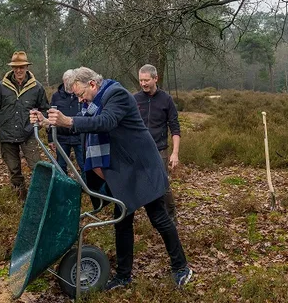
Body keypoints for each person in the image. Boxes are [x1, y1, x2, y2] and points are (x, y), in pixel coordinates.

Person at [31, 67, 193, 290]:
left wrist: (67, 121)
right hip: (125, 172)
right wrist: (48, 123)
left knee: (159, 219)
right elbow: (84, 126)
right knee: (123, 222)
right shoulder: (95, 103)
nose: (80, 100)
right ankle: (124, 276)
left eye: (80, 94)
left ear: (92, 85)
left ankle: (181, 267)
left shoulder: (117, 95)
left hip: (143, 168)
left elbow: (105, 122)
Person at [0, 51, 49, 201]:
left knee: (36, 167)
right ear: (12, 68)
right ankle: (19, 199)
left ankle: (38, 199)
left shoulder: (37, 87)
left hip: (29, 133)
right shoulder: (1, 87)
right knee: (14, 170)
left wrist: (39, 123)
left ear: (27, 67)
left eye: (22, 67)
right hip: (7, 134)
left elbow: (45, 108)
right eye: (16, 67)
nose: (19, 70)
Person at [134, 64, 180, 221]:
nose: (144, 84)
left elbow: (175, 128)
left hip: (160, 149)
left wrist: (175, 153)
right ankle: (154, 216)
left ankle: (171, 217)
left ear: (155, 78)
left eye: (146, 80)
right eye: (141, 80)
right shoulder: (135, 99)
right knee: (141, 183)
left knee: (162, 185)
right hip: (139, 150)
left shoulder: (166, 100)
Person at [47, 69, 85, 175]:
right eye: (66, 80)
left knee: (84, 165)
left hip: (79, 136)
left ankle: (89, 189)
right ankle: (64, 188)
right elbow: (51, 117)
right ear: (63, 80)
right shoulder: (56, 96)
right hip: (62, 137)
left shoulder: (81, 94)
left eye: (71, 80)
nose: (68, 82)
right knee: (61, 166)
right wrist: (51, 138)